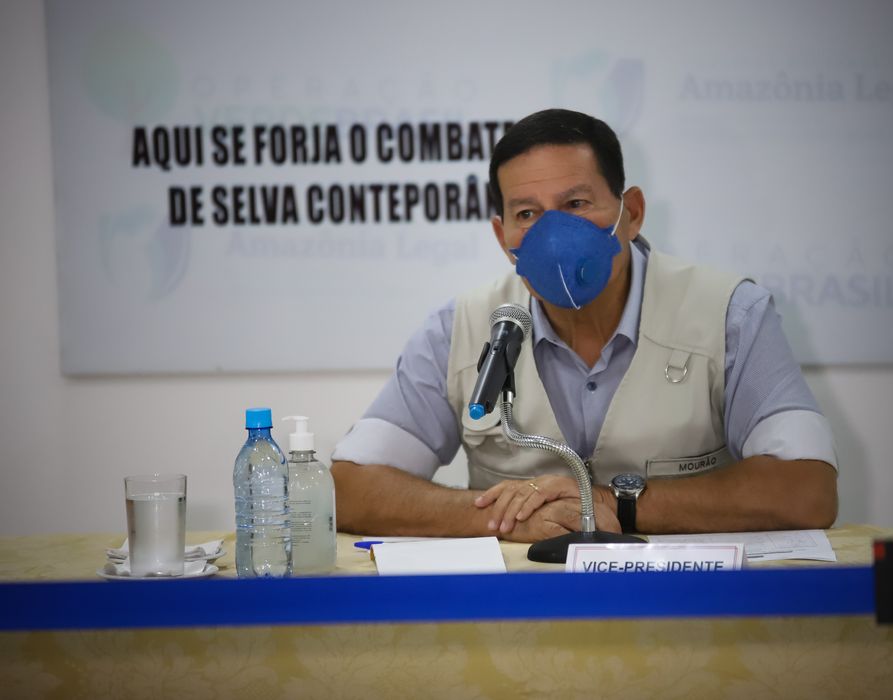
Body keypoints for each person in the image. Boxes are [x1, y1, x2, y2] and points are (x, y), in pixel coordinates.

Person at [331, 108, 838, 542]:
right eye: (527, 214)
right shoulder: (459, 329)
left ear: (631, 212)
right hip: (514, 627)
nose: (553, 234)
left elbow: (807, 488)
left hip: (687, 617)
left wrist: (612, 504)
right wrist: (505, 518)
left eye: (576, 205)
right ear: (501, 235)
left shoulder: (730, 314)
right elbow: (349, 487)